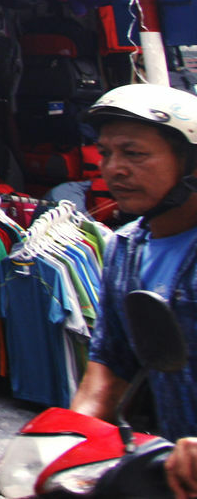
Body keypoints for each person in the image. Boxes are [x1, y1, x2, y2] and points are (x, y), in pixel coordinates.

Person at [67, 84, 197, 499]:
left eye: (134, 153)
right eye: (106, 153)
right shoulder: (124, 248)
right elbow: (109, 367)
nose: (114, 169)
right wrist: (67, 445)